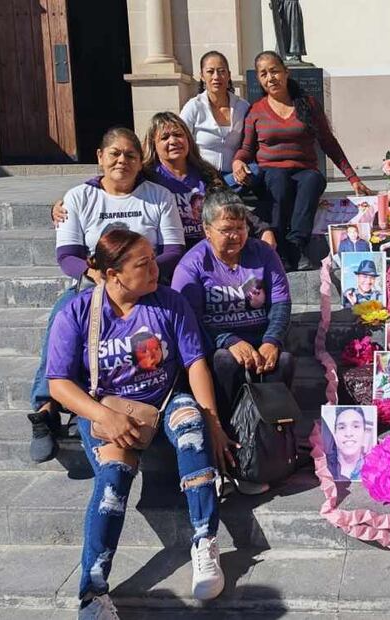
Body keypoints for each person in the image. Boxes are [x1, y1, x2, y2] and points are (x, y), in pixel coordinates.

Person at [45, 229, 231, 615]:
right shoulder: (77, 313)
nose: (155, 269)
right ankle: (92, 593)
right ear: (113, 275)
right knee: (113, 481)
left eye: (153, 258)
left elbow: (195, 362)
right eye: (143, 264)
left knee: (192, 430)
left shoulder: (169, 303)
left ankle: (204, 541)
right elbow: (59, 384)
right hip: (107, 407)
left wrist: (212, 419)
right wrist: (103, 416)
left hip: (164, 398)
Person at [29, 127, 185, 464]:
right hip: (95, 282)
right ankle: (46, 407)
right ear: (100, 157)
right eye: (114, 153)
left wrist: (136, 274)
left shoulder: (158, 196)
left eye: (130, 154)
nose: (122, 160)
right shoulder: (78, 198)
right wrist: (94, 273)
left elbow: (174, 248)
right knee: (64, 311)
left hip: (147, 282)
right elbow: (67, 255)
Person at [171, 190, 296, 495]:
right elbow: (191, 320)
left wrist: (271, 340)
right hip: (217, 343)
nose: (235, 236)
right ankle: (230, 453)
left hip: (259, 337)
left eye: (240, 228)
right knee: (225, 363)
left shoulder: (263, 254)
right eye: (226, 230)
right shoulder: (193, 264)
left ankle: (270, 448)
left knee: (284, 362)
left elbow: (281, 303)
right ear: (206, 230)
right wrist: (228, 339)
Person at [232, 51, 373, 271]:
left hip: (304, 169)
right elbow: (247, 149)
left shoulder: (307, 104)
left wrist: (352, 177)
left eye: (275, 71)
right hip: (271, 173)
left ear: (286, 73)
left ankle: (296, 246)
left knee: (312, 180)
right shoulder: (256, 111)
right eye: (264, 74)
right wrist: (238, 162)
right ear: (259, 79)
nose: (270, 78)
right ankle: (278, 247)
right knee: (278, 180)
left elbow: (328, 142)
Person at [52, 112, 276, 249]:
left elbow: (231, 206)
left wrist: (263, 229)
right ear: (154, 144)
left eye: (178, 135)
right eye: (165, 137)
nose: (173, 141)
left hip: (209, 247)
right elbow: (111, 181)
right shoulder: (146, 176)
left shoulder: (206, 174)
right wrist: (60, 204)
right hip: (170, 252)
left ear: (188, 140)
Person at [180, 51, 252, 185]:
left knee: (256, 171)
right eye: (210, 71)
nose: (216, 77)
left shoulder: (242, 107)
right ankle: (217, 191)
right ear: (202, 76)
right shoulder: (193, 107)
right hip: (202, 176)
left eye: (221, 71)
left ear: (229, 75)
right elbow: (180, 140)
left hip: (234, 176)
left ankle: (219, 191)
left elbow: (250, 143)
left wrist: (240, 163)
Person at [325, 407, 371, 481]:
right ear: (334, 434)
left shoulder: (373, 468)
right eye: (342, 427)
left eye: (356, 426)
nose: (348, 434)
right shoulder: (325, 467)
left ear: (365, 434)